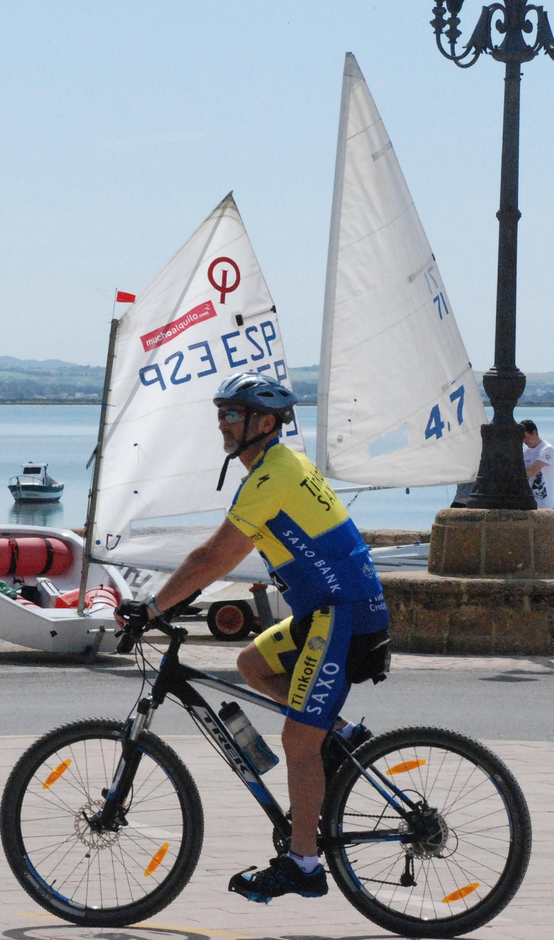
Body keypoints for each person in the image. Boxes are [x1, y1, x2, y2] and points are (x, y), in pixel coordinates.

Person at [114, 372, 390, 904]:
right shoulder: (278, 466)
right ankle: (341, 735)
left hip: (342, 616)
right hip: (329, 613)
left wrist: (151, 609)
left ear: (264, 422)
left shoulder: (271, 479)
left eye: (233, 414)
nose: (223, 423)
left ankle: (304, 864)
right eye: (220, 413)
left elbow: (213, 558)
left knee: (296, 741)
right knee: (252, 665)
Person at [521, 419, 554, 509]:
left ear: (534, 432)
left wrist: (511, 470)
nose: (524, 440)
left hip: (545, 504)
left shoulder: (547, 449)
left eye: (525, 437)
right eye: (521, 438)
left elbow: (532, 470)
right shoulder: (524, 451)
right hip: (528, 503)